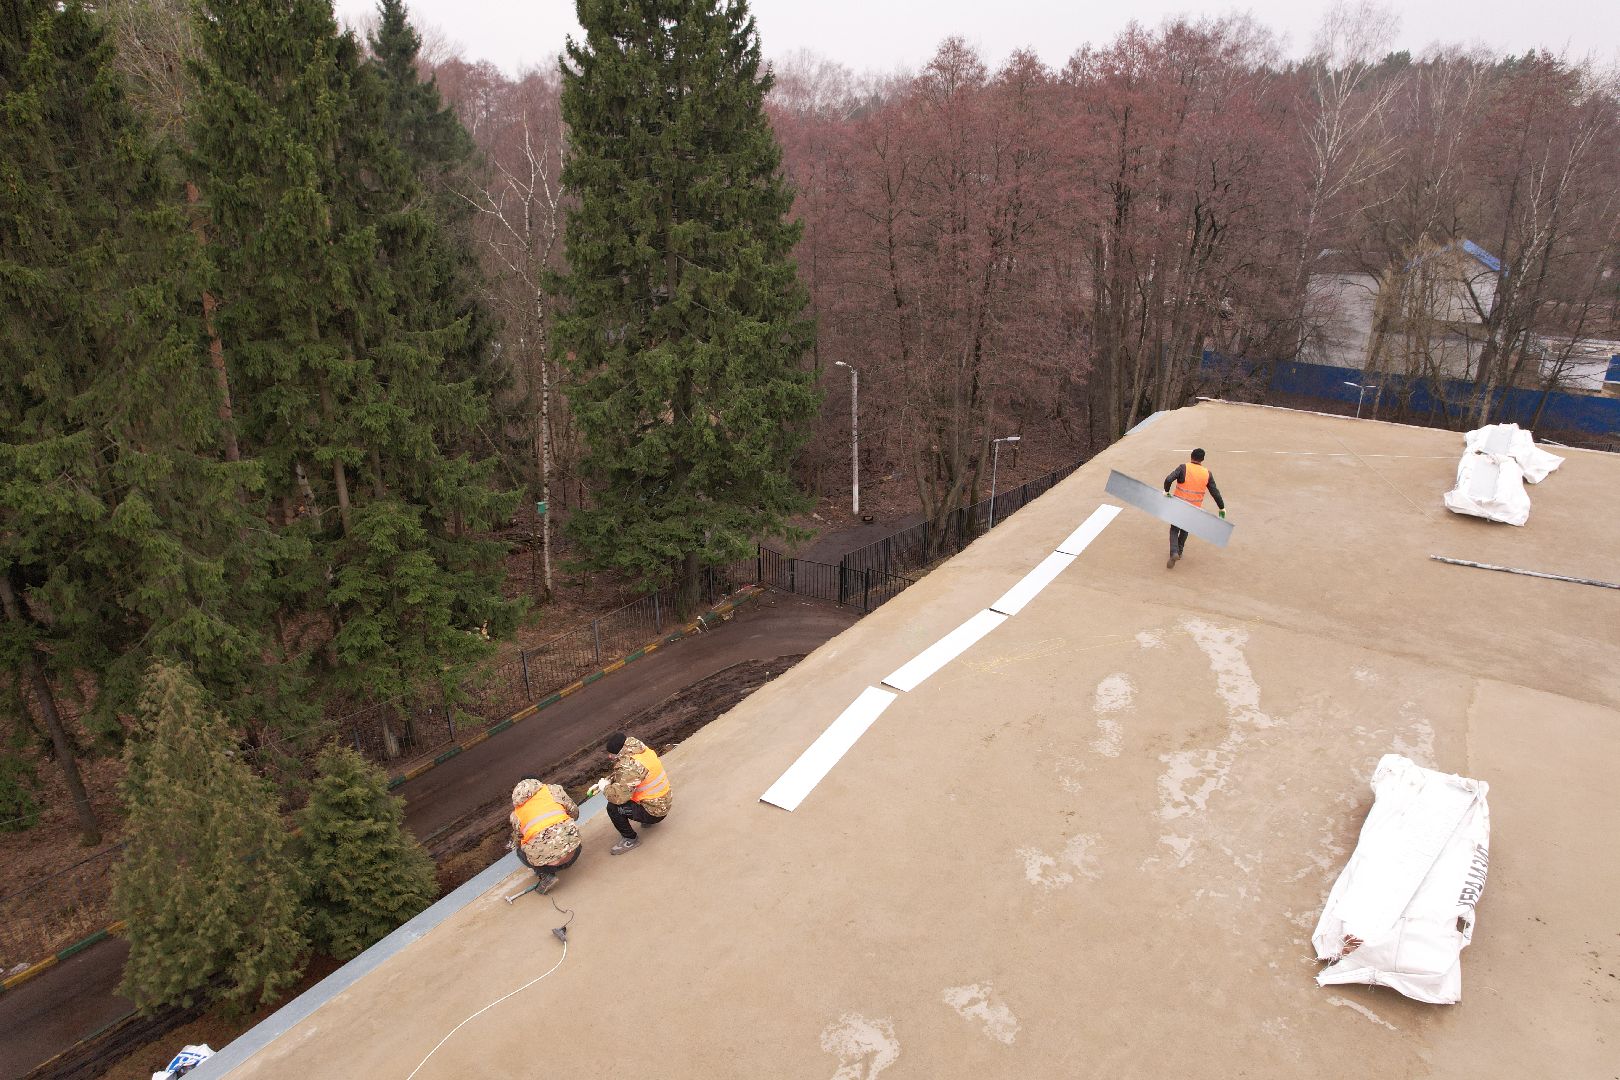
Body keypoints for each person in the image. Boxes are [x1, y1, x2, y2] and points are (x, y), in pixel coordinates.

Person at [596, 731, 672, 855]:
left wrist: (605, 788)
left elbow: (618, 798)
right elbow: (629, 777)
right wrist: (609, 780)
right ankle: (646, 820)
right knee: (630, 793)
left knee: (613, 807)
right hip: (664, 801)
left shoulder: (631, 766)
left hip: (655, 812)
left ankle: (630, 839)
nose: (609, 756)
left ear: (620, 752)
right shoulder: (642, 750)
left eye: (611, 754)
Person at [508, 777, 581, 893]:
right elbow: (575, 814)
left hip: (548, 865)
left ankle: (546, 875)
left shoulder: (516, 814)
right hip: (573, 853)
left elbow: (519, 838)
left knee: (519, 849)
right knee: (569, 830)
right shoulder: (553, 790)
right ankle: (564, 859)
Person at [1162, 447, 1226, 569]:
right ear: (1202, 459)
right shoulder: (1207, 473)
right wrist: (1221, 508)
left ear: (1191, 456)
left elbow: (1168, 479)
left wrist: (1166, 491)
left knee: (1174, 529)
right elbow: (1215, 492)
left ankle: (1174, 552)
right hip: (1194, 508)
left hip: (1179, 504)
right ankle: (1179, 552)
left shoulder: (1183, 467)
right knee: (1185, 529)